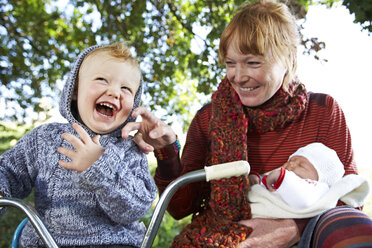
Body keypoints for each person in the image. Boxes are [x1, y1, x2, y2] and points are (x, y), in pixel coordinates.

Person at [122, 0, 372, 247]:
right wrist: (166, 152)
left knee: (351, 225)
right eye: (231, 63)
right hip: (227, 236)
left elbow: (350, 196)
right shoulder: (208, 119)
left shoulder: (322, 111)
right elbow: (179, 208)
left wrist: (291, 229)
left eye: (253, 62)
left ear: (286, 59)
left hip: (307, 235)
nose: (239, 77)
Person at [0, 42, 157, 247]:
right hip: (46, 241)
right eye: (102, 80)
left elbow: (135, 207)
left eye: (126, 88)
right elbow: (8, 170)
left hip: (112, 243)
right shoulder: (45, 139)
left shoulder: (129, 150)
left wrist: (99, 166)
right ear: (75, 90)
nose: (114, 92)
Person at [248, 142, 369, 219]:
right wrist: (256, 181)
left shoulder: (317, 189)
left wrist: (282, 178)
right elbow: (268, 186)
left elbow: (303, 200)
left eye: (301, 165)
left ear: (319, 178)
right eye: (290, 160)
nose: (291, 165)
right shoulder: (284, 180)